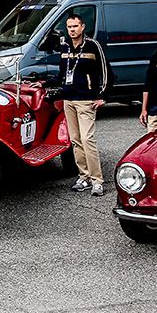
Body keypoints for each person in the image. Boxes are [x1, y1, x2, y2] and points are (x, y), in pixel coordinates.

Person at [57, 13, 112, 196]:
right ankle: (84, 176)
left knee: (88, 139)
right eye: (69, 27)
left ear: (82, 27)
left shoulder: (92, 45)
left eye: (75, 26)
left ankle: (97, 180)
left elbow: (106, 71)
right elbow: (62, 73)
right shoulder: (64, 47)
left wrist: (102, 96)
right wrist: (52, 86)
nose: (72, 30)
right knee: (75, 140)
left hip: (86, 100)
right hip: (69, 99)